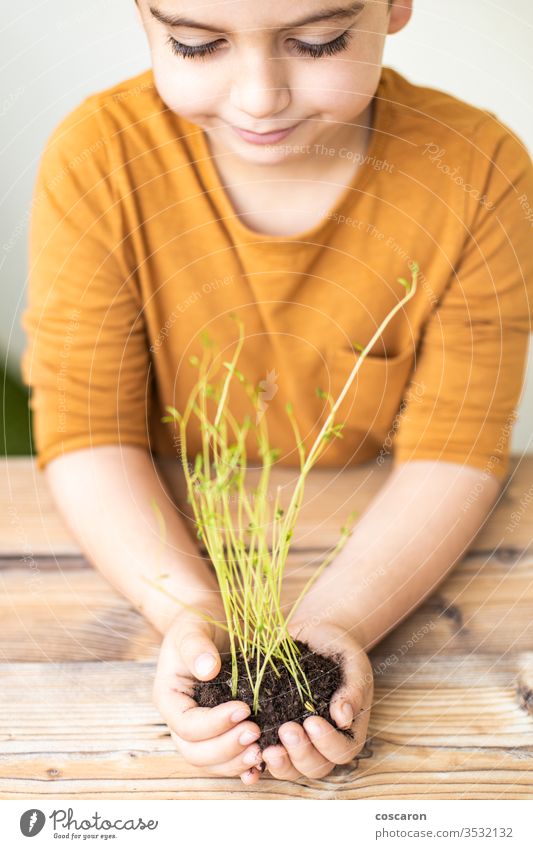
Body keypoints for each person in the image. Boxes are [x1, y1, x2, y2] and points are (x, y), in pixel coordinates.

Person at [21, 0, 533, 785]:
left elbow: (455, 447)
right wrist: (188, 614)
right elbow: (86, 429)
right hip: (159, 518)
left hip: (368, 531)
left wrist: (339, 619)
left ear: (395, 6)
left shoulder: (478, 170)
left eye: (318, 40)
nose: (260, 94)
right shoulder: (102, 157)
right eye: (195, 45)